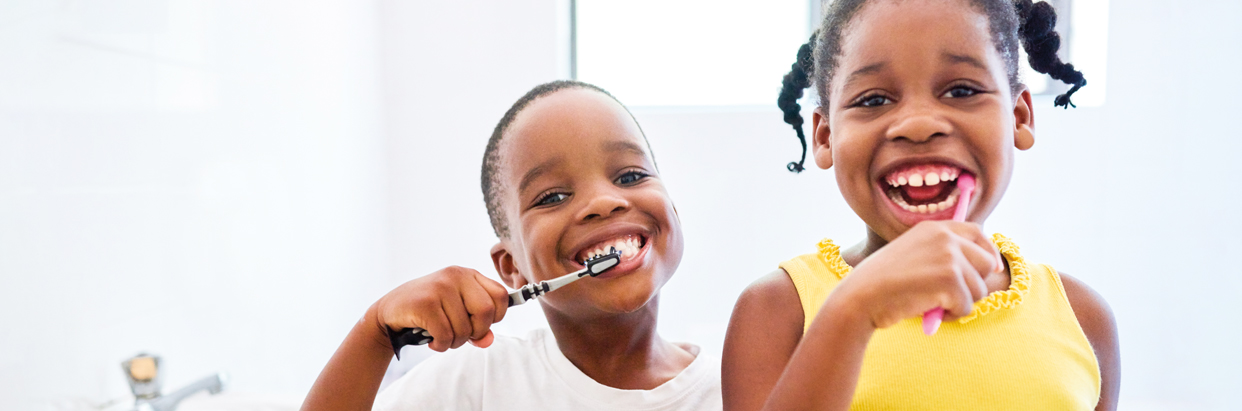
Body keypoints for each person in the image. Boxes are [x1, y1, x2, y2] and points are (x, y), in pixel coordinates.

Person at [722, 0, 1119, 410]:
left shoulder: (1082, 316)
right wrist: (853, 311)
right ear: (824, 137)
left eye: (962, 90)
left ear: (1018, 117)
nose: (919, 124)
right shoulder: (779, 309)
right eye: (873, 100)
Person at [302, 80, 721, 411]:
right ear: (511, 266)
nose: (603, 202)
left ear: (673, 210)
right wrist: (375, 334)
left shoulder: (735, 385)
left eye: (630, 176)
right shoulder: (475, 381)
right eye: (552, 197)